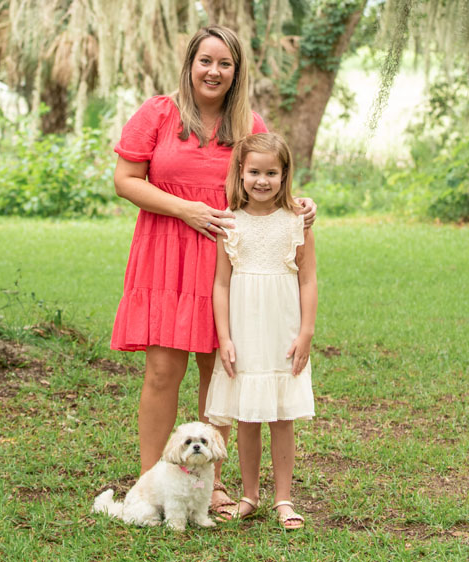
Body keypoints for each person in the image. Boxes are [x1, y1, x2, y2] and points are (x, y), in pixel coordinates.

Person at [110, 25, 317, 519]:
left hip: (228, 262)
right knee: (163, 370)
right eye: (206, 60)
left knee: (218, 369)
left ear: (236, 72)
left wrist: (301, 204)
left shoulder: (248, 122)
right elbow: (124, 180)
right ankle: (151, 484)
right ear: (190, 63)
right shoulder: (159, 113)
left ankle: (212, 485)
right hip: (165, 252)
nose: (214, 71)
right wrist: (186, 210)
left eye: (225, 64)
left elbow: (268, 183)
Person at [205, 133, 318, 530]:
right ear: (241, 172)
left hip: (281, 330)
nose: (262, 180)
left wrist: (306, 333)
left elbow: (308, 280)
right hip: (244, 331)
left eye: (272, 172)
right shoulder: (229, 221)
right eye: (254, 171)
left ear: (285, 174)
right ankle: (250, 495)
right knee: (247, 417)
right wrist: (224, 337)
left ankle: (283, 498)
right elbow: (221, 283)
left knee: (281, 417)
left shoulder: (296, 222)